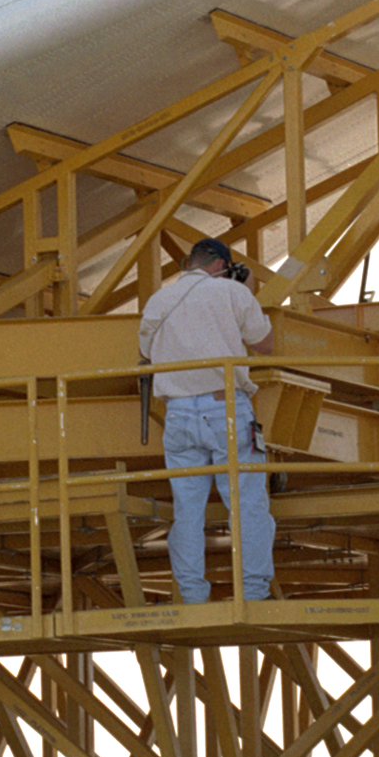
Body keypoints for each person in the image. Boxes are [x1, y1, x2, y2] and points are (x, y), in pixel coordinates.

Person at [139, 236, 275, 603]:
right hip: (225, 408)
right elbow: (264, 344)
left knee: (187, 512)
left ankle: (192, 594)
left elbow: (145, 350)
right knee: (247, 504)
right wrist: (244, 290)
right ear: (219, 265)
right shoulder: (231, 293)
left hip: (179, 414)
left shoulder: (159, 300)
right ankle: (253, 591)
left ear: (189, 263)